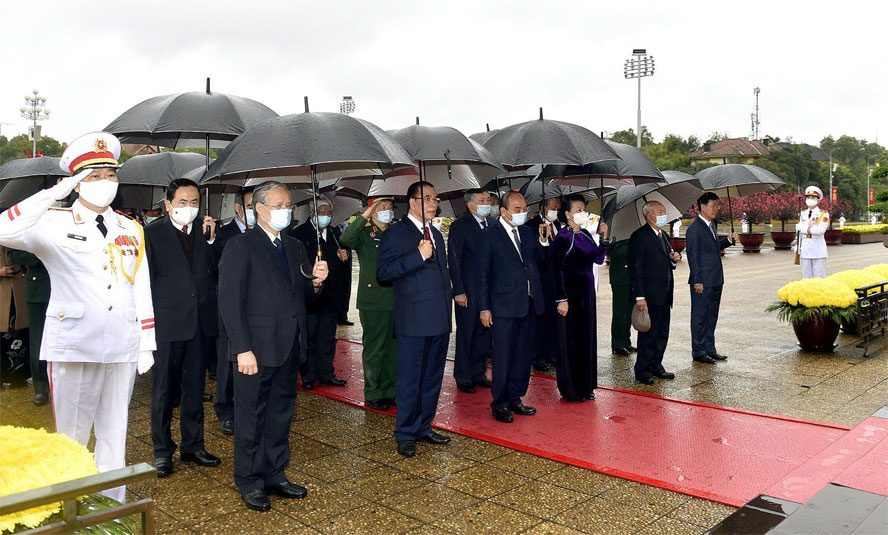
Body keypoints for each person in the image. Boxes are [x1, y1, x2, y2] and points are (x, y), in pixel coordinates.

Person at [0, 132, 156, 503]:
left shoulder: (130, 229)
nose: (105, 183)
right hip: (74, 343)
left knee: (115, 431)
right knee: (72, 435)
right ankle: (72, 510)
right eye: (93, 176)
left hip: (122, 341)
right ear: (74, 181)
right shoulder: (51, 222)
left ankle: (111, 508)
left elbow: (141, 285)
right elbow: (4, 228)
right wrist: (52, 194)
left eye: (110, 175)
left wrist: (146, 342)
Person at [219, 181, 328, 512]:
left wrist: (317, 283)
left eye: (289, 206)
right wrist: (242, 349)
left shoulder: (294, 246)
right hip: (256, 349)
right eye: (279, 206)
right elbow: (230, 302)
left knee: (280, 413)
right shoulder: (241, 246)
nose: (286, 211)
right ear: (260, 209)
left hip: (289, 345)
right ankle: (249, 480)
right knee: (251, 416)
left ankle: (275, 472)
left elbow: (301, 297)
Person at [144, 179, 221, 478]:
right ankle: (162, 451)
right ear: (167, 204)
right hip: (168, 322)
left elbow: (218, 269)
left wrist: (214, 241)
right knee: (163, 390)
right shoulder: (151, 234)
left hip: (200, 322)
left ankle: (193, 445)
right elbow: (145, 280)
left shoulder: (207, 231)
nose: (189, 208)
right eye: (182, 202)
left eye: (194, 203)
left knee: (195, 388)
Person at [377, 182, 453, 457]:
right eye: (427, 198)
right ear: (411, 202)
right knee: (410, 379)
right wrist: (417, 256)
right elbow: (384, 272)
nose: (433, 203)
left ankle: (424, 426)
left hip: (440, 317)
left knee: (432, 378)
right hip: (414, 319)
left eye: (435, 198)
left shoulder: (436, 233)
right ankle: (406, 432)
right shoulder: (396, 233)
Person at [477, 192, 549, 422]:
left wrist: (544, 241)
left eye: (524, 209)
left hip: (528, 302)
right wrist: (484, 307)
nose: (522, 213)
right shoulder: (489, 236)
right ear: (504, 211)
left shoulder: (527, 232)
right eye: (517, 209)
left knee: (522, 355)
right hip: (502, 306)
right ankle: (500, 403)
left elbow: (539, 261)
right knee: (504, 356)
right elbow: (483, 276)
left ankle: (516, 397)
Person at [339, 197, 398, 411]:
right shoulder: (365, 232)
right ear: (372, 211)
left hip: (396, 298)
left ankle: (389, 389)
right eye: (382, 207)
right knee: (375, 348)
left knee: (393, 349)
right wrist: (363, 216)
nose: (387, 211)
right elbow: (345, 240)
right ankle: (373, 392)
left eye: (390, 208)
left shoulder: (395, 232)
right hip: (373, 300)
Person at [551, 194, 609, 401]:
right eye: (578, 209)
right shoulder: (563, 237)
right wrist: (561, 299)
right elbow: (555, 269)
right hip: (570, 292)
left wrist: (604, 237)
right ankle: (570, 388)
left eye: (584, 209)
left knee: (586, 337)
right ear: (567, 213)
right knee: (571, 340)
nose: (582, 212)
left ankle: (586, 386)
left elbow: (598, 258)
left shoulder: (584, 234)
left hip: (586, 292)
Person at [290, 195, 349, 389]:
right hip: (311, 296)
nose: (326, 216)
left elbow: (341, 267)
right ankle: (308, 374)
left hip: (330, 297)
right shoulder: (300, 234)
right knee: (310, 337)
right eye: (322, 212)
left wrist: (343, 257)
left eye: (329, 213)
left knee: (327, 337)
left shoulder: (333, 234)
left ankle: (326, 372)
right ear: (312, 214)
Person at [213, 187, 253, 435]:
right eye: (249, 206)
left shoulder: (265, 235)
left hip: (257, 309)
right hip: (230, 307)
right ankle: (225, 410)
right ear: (238, 208)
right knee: (228, 362)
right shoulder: (222, 235)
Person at [447, 188, 495, 394]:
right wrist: (458, 290)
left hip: (490, 290)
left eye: (488, 199)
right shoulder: (460, 226)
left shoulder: (493, 225)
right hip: (468, 289)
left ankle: (478, 372)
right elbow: (455, 259)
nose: (487, 203)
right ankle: (463, 375)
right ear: (470, 204)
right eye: (481, 200)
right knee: (467, 333)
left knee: (484, 333)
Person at [628, 201, 679, 385]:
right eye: (660, 211)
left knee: (662, 332)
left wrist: (674, 259)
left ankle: (656, 365)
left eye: (664, 211)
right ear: (650, 216)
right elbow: (636, 269)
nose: (664, 214)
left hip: (665, 293)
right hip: (648, 295)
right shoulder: (639, 237)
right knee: (648, 334)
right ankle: (643, 369)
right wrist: (639, 296)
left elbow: (666, 261)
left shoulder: (663, 235)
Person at [685, 192, 736, 365]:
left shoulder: (711, 225)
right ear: (702, 207)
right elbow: (693, 256)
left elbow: (713, 249)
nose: (717, 209)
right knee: (699, 317)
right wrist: (697, 280)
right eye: (713, 206)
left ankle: (709, 348)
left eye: (718, 205)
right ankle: (698, 351)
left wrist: (728, 240)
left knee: (711, 316)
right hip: (702, 281)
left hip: (715, 279)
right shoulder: (694, 229)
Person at [7, 250, 49, 405]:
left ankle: (63, 385)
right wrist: (43, 255)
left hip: (69, 291)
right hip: (38, 289)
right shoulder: (30, 225)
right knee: (38, 340)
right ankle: (41, 387)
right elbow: (13, 253)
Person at [527, 196, 562, 371]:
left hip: (557, 280)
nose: (555, 210)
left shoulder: (559, 225)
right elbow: (534, 256)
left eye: (557, 207)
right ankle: (538, 356)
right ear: (542, 207)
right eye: (552, 207)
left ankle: (552, 353)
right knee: (540, 320)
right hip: (541, 280)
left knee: (553, 320)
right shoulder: (531, 226)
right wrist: (542, 240)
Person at [608, 240, 636, 357]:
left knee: (629, 311)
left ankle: (626, 341)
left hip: (632, 277)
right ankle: (617, 344)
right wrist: (631, 247)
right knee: (620, 311)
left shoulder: (634, 233)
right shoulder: (613, 234)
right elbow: (612, 253)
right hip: (619, 278)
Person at [796, 186, 830, 279]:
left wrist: (803, 228)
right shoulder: (802, 213)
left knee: (819, 276)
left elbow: (819, 230)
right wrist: (798, 247)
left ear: (818, 200)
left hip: (818, 248)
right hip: (805, 249)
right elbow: (798, 233)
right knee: (806, 276)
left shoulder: (823, 214)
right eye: (808, 197)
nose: (810, 199)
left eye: (813, 197)